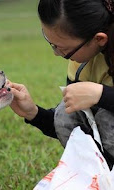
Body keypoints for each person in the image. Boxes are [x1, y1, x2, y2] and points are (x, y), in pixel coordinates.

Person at [8, 0, 114, 169]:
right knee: (65, 113)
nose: (57, 54)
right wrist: (33, 113)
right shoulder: (82, 63)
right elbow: (74, 126)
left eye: (62, 49)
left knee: (107, 118)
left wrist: (101, 95)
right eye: (52, 44)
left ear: (99, 39)